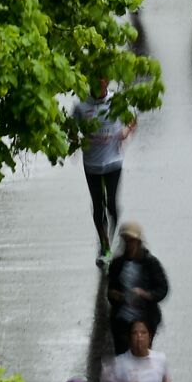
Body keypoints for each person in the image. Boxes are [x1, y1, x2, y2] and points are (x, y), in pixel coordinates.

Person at [74, 78, 136, 266]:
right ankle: (104, 245)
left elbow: (133, 119)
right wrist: (76, 139)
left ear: (108, 81)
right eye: (96, 78)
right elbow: (70, 128)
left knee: (111, 204)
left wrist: (126, 130)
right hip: (92, 163)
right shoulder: (81, 105)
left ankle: (114, 237)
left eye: (103, 79)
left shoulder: (117, 101)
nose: (99, 83)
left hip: (113, 161)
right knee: (98, 206)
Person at [106, 221, 169, 355]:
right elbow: (110, 290)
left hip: (145, 318)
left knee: (141, 355)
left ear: (138, 242)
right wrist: (114, 296)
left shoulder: (151, 264)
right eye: (126, 241)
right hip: (122, 319)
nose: (129, 245)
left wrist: (145, 294)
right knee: (123, 356)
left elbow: (162, 289)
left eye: (132, 241)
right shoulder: (117, 264)